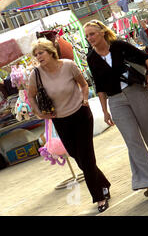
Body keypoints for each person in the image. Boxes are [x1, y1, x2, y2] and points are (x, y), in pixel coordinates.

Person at [84, 20, 148, 198]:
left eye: (92, 34)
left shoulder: (119, 45)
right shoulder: (91, 58)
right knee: (132, 141)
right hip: (116, 101)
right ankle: (147, 182)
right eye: (87, 36)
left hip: (137, 92)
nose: (90, 38)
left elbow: (146, 58)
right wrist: (104, 111)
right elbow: (99, 86)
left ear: (102, 32)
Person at [27, 38, 111, 213]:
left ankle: (99, 197)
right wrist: (38, 113)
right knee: (77, 156)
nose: (38, 57)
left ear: (50, 52)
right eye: (36, 54)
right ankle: (103, 183)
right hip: (60, 119)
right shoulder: (36, 74)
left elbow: (84, 84)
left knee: (86, 158)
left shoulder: (68, 65)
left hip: (80, 114)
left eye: (41, 52)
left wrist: (85, 99)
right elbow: (31, 96)